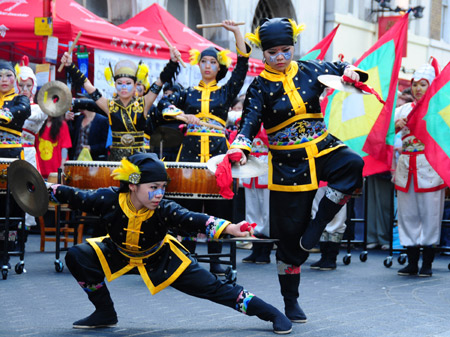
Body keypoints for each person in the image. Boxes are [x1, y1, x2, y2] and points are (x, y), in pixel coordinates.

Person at [48, 153, 292, 334]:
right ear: (132, 185)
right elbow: (74, 196)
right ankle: (105, 312)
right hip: (117, 252)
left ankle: (271, 313)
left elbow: (195, 219)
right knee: (77, 255)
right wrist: (40, 188)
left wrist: (232, 228)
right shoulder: (108, 199)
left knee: (215, 289)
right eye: (153, 187)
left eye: (162, 188)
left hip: (162, 258)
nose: (159, 194)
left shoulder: (164, 209)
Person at [227, 17, 365, 323]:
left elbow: (342, 69)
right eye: (273, 52)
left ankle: (318, 228)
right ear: (263, 53)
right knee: (289, 237)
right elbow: (249, 122)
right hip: (289, 163)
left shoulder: (309, 68)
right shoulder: (259, 87)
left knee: (353, 164)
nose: (279, 57)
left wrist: (351, 71)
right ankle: (291, 300)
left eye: (285, 50)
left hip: (322, 146)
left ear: (294, 47)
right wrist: (239, 148)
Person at [157, 20, 251, 275]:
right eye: (204, 62)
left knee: (217, 206)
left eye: (212, 63)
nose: (208, 66)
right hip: (189, 152)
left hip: (218, 154)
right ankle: (185, 256)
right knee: (186, 206)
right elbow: (164, 106)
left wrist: (236, 33)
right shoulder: (186, 93)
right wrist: (182, 116)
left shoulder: (226, 92)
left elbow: (242, 66)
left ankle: (216, 257)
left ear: (219, 66)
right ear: (198, 65)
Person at [60, 46, 180, 161]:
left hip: (138, 159)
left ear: (135, 86)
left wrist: (173, 62)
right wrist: (71, 66)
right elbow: (89, 87)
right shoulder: (109, 105)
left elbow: (160, 82)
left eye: (128, 83)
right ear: (115, 85)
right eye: (119, 83)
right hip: (116, 161)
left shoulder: (144, 103)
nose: (123, 87)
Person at [394, 62, 446, 277]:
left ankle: (427, 263)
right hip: (406, 167)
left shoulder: (440, 111)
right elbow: (384, 134)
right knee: (408, 215)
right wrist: (396, 125)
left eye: (423, 84)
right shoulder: (402, 109)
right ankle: (412, 260)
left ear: (432, 86)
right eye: (415, 84)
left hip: (431, 168)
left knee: (431, 215)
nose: (417, 89)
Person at [16, 57, 48, 229]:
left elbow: (28, 115)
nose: (25, 90)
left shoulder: (38, 108)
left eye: (29, 86)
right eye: (21, 85)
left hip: (27, 153)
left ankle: (23, 231)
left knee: (26, 191)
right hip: (8, 151)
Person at [241, 124, 272, 264]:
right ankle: (255, 247)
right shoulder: (249, 121)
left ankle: (265, 250)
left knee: (266, 211)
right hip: (250, 164)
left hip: (266, 164)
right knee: (252, 210)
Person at [309, 186, 347, 270]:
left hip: (338, 179)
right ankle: (325, 256)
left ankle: (330, 257)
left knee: (337, 215)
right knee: (318, 212)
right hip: (321, 179)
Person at [0, 59, 31, 158]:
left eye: (8, 75)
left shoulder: (20, 99)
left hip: (11, 153)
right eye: (0, 76)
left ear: (16, 78)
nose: (4, 79)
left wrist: (6, 114)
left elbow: (24, 109)